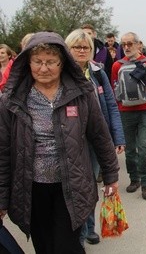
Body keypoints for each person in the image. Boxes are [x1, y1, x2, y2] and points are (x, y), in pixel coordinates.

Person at [0, 31, 119, 253]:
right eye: (37, 62)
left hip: (71, 186)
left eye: (51, 62)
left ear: (62, 63)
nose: (43, 68)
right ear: (28, 63)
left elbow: (100, 136)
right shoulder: (12, 99)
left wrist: (111, 176)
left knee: (67, 246)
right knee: (44, 246)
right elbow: (3, 150)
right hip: (31, 189)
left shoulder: (81, 95)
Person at [65, 29, 126, 247]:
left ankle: (88, 228)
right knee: (76, 186)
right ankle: (79, 233)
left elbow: (111, 104)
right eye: (77, 47)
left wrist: (118, 136)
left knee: (89, 184)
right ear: (68, 48)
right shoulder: (62, 73)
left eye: (86, 47)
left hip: (95, 138)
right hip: (69, 139)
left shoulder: (97, 72)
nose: (82, 51)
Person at [111, 32, 146, 200]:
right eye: (124, 44)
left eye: (130, 44)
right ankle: (134, 178)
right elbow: (114, 91)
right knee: (129, 150)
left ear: (138, 45)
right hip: (125, 113)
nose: (127, 47)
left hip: (145, 111)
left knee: (144, 147)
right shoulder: (117, 66)